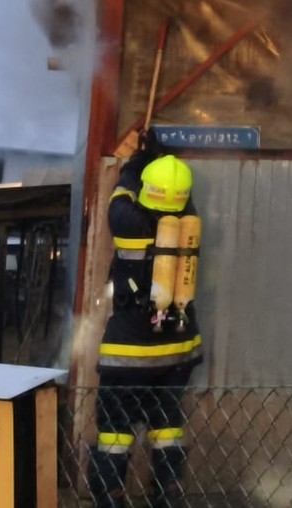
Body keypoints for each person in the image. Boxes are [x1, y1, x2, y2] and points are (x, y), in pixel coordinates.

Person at [89, 130, 203, 508]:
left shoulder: (126, 220)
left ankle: (111, 497)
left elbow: (123, 187)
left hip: (130, 352)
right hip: (179, 350)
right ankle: (167, 495)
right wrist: (169, 164)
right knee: (167, 425)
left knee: (115, 432)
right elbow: (178, 199)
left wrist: (141, 160)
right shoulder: (190, 222)